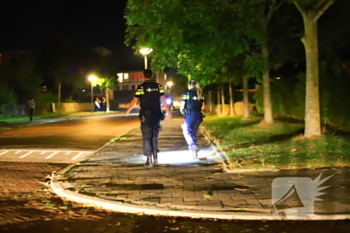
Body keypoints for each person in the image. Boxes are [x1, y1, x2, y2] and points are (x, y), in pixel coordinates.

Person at [125, 69, 172, 167]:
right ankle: (155, 157)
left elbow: (135, 100)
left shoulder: (141, 87)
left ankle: (148, 159)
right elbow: (163, 99)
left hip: (146, 115)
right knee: (155, 136)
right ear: (152, 75)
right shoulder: (158, 86)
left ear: (143, 76)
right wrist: (168, 111)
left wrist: (128, 110)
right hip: (156, 114)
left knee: (147, 136)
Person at [180, 80, 205, 158]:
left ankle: (193, 146)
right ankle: (194, 153)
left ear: (189, 85)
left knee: (186, 131)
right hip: (198, 116)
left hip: (190, 115)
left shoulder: (187, 93)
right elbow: (203, 106)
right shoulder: (200, 93)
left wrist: (181, 110)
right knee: (193, 133)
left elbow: (183, 104)